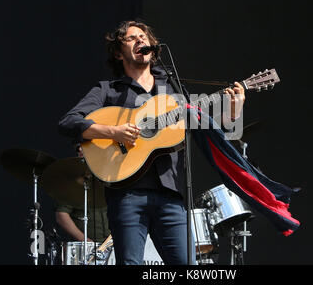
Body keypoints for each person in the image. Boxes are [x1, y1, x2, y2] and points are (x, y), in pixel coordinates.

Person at [58, 20, 245, 265]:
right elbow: (68, 122)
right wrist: (113, 132)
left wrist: (233, 113)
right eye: (131, 38)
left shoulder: (172, 89)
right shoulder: (108, 90)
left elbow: (204, 128)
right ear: (117, 52)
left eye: (143, 37)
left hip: (170, 193)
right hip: (126, 195)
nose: (140, 40)